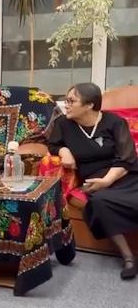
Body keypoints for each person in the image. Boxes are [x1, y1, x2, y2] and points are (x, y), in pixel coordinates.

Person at [48, 82, 138, 280]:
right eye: (66, 100)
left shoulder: (114, 122)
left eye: (71, 101)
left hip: (126, 175)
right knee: (99, 202)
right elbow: (53, 144)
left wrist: (107, 180)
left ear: (89, 105)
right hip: (96, 181)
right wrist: (64, 151)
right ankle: (128, 257)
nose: (66, 105)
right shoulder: (63, 124)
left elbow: (127, 158)